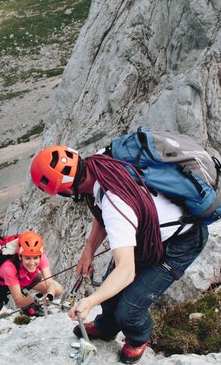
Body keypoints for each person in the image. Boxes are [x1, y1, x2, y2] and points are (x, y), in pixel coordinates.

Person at [29, 146, 209, 364]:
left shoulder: (115, 202)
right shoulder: (101, 162)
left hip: (181, 243)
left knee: (129, 310)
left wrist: (90, 301)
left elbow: (126, 270)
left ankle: (138, 338)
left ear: (67, 190)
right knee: (111, 291)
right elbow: (102, 211)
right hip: (151, 234)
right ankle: (107, 326)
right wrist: (89, 250)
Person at [0, 231, 64, 357]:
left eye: (35, 258)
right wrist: (34, 299)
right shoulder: (8, 268)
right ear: (19, 256)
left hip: (23, 277)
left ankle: (29, 307)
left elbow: (50, 283)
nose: (32, 262)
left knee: (58, 289)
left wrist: (49, 295)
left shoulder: (40, 257)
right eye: (27, 257)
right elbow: (18, 302)